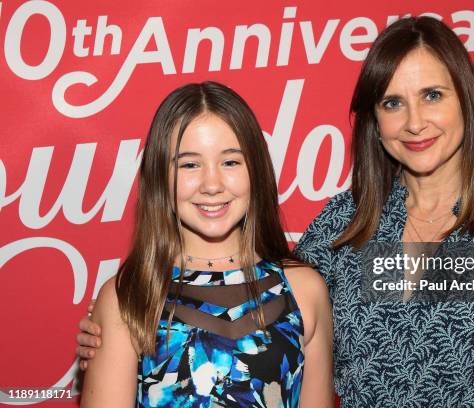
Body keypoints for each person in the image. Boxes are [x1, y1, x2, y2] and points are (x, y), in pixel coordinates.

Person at [77, 17, 474, 407]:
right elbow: (261, 300)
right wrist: (118, 325)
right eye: (392, 103)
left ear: (466, 102)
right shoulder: (343, 230)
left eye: (432, 95)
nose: (415, 122)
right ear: (374, 121)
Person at [80, 81, 333, 407]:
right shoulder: (130, 298)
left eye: (230, 162)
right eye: (189, 164)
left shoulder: (304, 290)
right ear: (159, 176)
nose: (211, 185)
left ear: (255, 170)